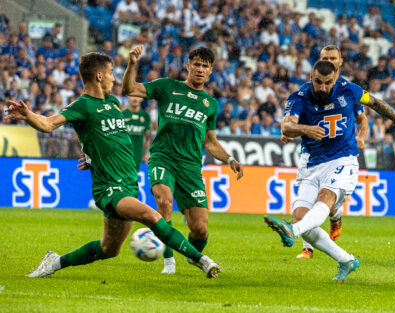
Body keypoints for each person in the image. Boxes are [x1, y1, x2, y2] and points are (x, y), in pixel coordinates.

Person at [4, 52, 221, 279]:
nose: (114, 79)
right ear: (99, 76)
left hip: (128, 184)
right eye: (110, 74)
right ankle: (202, 260)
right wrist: (29, 115)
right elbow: (49, 124)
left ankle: (55, 262)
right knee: (151, 216)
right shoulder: (83, 105)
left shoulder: (113, 102)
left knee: (109, 249)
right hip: (110, 188)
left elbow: (109, 141)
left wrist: (92, 158)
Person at [264, 60, 395, 280]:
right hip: (312, 164)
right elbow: (286, 126)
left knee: (324, 199)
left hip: (343, 160)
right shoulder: (299, 97)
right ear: (311, 77)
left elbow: (376, 103)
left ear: (336, 78)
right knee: (300, 217)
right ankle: (346, 260)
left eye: (328, 83)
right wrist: (305, 128)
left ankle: (292, 231)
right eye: (318, 82)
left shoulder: (349, 90)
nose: (323, 87)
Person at [122, 45, 244, 274]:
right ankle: (169, 261)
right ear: (187, 66)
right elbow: (129, 88)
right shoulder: (168, 86)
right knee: (164, 202)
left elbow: (210, 142)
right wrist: (132, 64)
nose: (199, 69)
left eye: (204, 66)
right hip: (163, 157)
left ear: (210, 72)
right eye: (196, 64)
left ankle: (191, 253)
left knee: (200, 229)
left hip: (190, 166)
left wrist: (229, 159)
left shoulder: (210, 104)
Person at [291, 45, 369, 259]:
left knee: (328, 201)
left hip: (339, 153)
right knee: (305, 204)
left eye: (333, 58)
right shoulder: (307, 91)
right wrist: (292, 130)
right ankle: (308, 248)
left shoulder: (348, 90)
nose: (330, 61)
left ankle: (334, 217)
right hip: (311, 153)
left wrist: (361, 137)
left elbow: (362, 118)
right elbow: (295, 121)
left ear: (340, 62)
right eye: (325, 58)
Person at [122, 96, 152, 170]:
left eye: (138, 96)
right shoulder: (122, 114)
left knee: (134, 179)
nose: (135, 98)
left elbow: (148, 138)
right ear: (128, 97)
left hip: (137, 155)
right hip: (123, 154)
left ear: (142, 98)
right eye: (132, 96)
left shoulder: (145, 116)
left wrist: (148, 152)